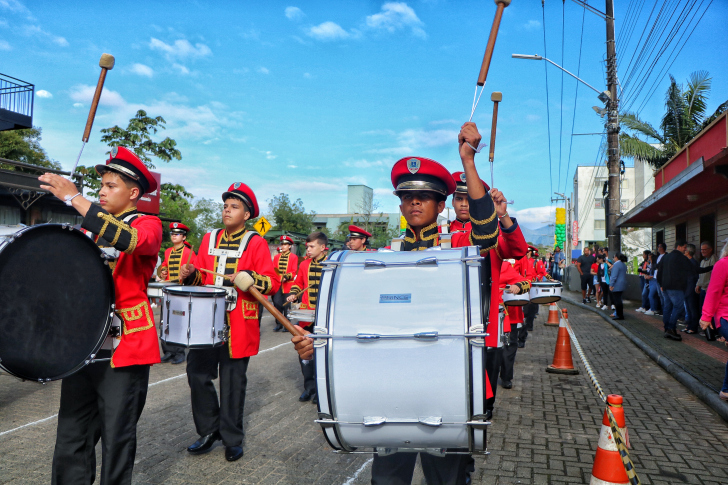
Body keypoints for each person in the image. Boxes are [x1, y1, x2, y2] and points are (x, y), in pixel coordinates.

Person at [294, 122, 524, 484]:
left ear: (441, 204)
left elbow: (487, 229)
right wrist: (319, 344)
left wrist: (468, 161)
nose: (414, 202)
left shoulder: (462, 252)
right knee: (387, 479)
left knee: (447, 479)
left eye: (424, 196)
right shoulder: (383, 256)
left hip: (448, 385)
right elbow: (354, 322)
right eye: (406, 196)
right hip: (391, 386)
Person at [39, 147, 162, 485]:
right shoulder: (92, 229)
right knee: (71, 435)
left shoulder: (148, 225)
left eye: (111, 186)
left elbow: (129, 240)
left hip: (124, 349)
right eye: (101, 187)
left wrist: (75, 198)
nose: (102, 192)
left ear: (133, 193)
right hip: (85, 346)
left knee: (116, 439)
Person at [178, 182, 279, 462]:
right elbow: (201, 276)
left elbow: (271, 282)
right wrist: (190, 273)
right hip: (205, 319)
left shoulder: (256, 242)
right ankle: (209, 431)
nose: (227, 210)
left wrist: (251, 278)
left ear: (247, 215)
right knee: (197, 374)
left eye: (234, 206)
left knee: (233, 382)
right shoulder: (209, 238)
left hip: (239, 322)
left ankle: (232, 437)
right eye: (225, 206)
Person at [286, 231, 328, 404]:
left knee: (323, 355)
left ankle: (322, 391)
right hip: (306, 317)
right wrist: (293, 294)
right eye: (307, 247)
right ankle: (309, 387)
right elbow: (298, 283)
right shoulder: (304, 265)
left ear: (323, 247)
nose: (308, 250)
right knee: (305, 353)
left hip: (325, 317)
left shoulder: (332, 264)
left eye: (312, 246)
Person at [160, 222, 196, 364]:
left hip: (181, 291)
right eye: (173, 234)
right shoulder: (168, 251)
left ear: (184, 236)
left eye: (177, 234)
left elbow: (195, 271)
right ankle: (168, 351)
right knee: (165, 321)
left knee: (178, 321)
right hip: (168, 289)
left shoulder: (189, 252)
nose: (174, 236)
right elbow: (164, 266)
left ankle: (179, 352)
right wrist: (162, 272)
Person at [699, 240, 728, 401]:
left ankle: (726, 390)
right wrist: (706, 316)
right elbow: (714, 290)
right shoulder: (722, 264)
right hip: (725, 315)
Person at [657, 240, 692, 341]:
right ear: (679, 247)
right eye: (685, 247)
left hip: (666, 287)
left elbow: (659, 270)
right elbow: (693, 269)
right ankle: (671, 328)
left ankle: (667, 328)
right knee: (678, 306)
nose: (685, 249)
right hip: (676, 287)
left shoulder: (666, 257)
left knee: (667, 307)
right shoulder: (681, 258)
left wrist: (661, 284)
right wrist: (712, 267)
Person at [272, 235, 299, 331]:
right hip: (278, 284)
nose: (283, 246)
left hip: (288, 285)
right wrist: (279, 277)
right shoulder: (276, 257)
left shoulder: (293, 257)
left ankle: (286, 325)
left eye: (285, 244)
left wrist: (286, 277)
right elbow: (274, 270)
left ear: (290, 246)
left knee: (286, 305)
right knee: (277, 303)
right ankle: (278, 323)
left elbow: (293, 271)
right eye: (282, 244)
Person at [696, 241, 717, 321]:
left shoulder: (714, 259)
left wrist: (710, 287)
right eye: (702, 250)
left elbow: (714, 276)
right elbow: (700, 275)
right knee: (703, 309)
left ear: (710, 249)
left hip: (709, 289)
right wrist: (698, 284)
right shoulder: (703, 261)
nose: (703, 251)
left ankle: (711, 331)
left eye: (705, 249)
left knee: (709, 311)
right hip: (702, 289)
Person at [609, 253, 628, 320]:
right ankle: (619, 314)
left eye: (614, 257)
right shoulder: (623, 265)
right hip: (622, 283)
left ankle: (619, 315)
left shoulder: (616, 265)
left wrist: (611, 284)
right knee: (619, 299)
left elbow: (614, 276)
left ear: (616, 257)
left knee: (617, 300)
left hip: (616, 284)